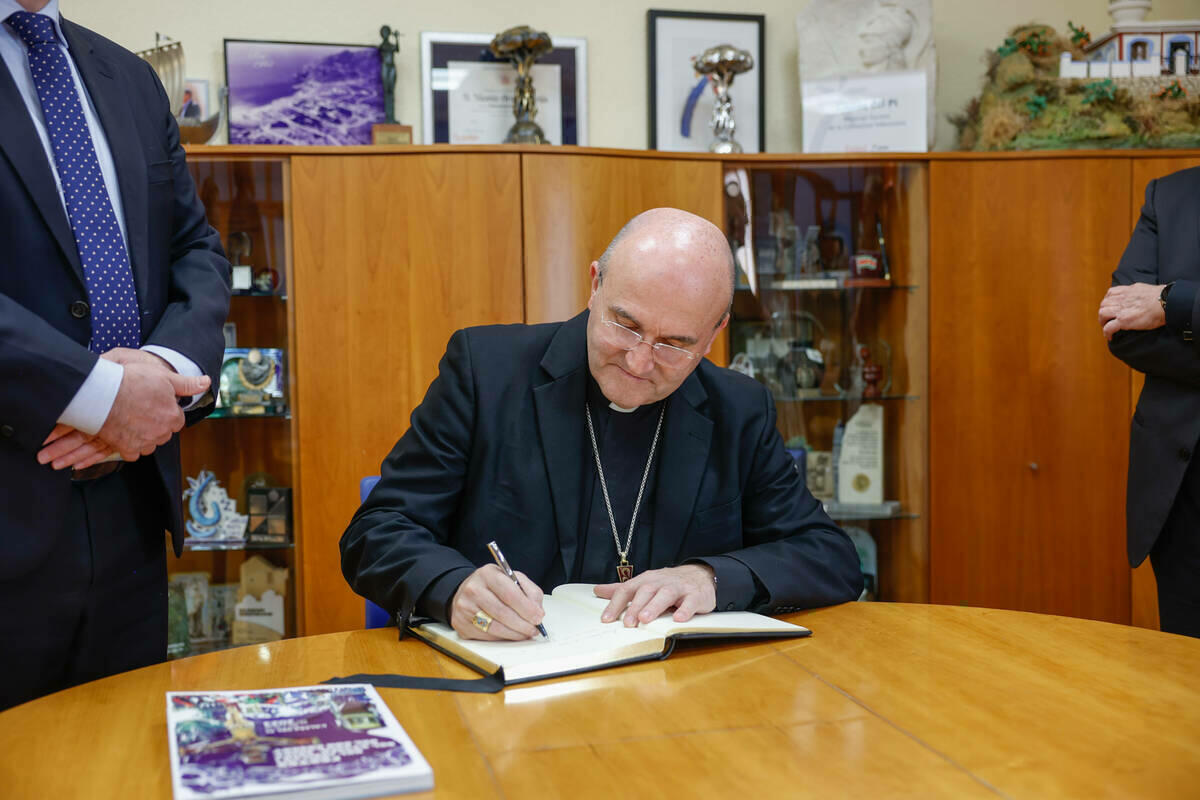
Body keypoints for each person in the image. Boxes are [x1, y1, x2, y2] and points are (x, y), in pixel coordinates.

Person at [342, 208, 863, 642]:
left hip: (677, 698)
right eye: (626, 325)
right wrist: (454, 587)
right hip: (510, 687)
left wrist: (711, 576)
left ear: (714, 334)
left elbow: (830, 557)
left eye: (675, 344)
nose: (639, 362)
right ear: (595, 284)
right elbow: (376, 532)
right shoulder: (487, 371)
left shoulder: (737, 408)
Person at [0, 0, 230, 708]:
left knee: (122, 765)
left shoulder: (127, 76)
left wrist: (156, 377)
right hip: (12, 497)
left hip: (130, 514)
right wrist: (98, 395)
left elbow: (195, 249)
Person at [1099, 165, 1200, 639]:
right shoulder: (1169, 194)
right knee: (1184, 683)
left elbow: (1159, 322)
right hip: (1181, 497)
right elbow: (1122, 332)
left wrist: (1173, 304)